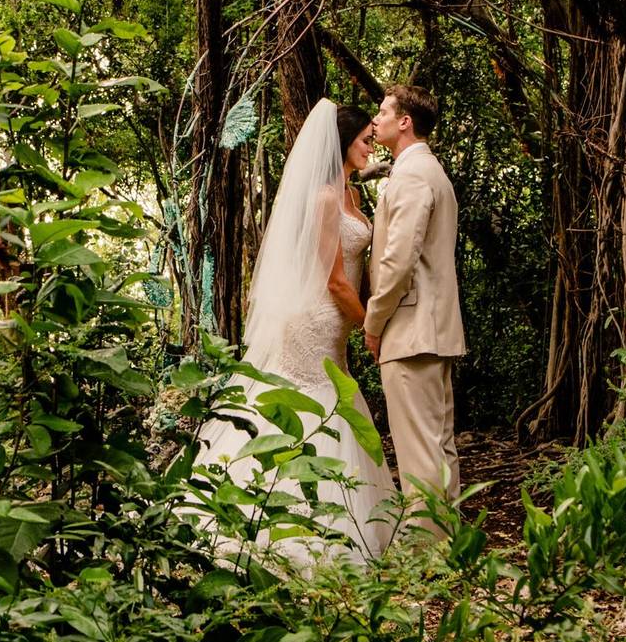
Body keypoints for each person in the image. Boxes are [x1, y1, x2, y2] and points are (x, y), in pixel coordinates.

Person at [191, 99, 399, 565]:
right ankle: (283, 529)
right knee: (309, 406)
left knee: (333, 405)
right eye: (365, 140)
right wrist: (371, 323)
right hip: (314, 319)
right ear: (342, 143)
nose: (370, 146)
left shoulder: (351, 192)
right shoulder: (325, 197)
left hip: (335, 324)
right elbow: (333, 278)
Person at [362, 83, 466, 537]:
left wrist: (373, 321)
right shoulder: (430, 171)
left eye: (383, 111)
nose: (375, 120)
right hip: (435, 329)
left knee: (419, 454)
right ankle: (451, 546)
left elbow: (398, 261)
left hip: (410, 330)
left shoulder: (411, 175)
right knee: (439, 447)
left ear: (405, 121)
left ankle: (429, 558)